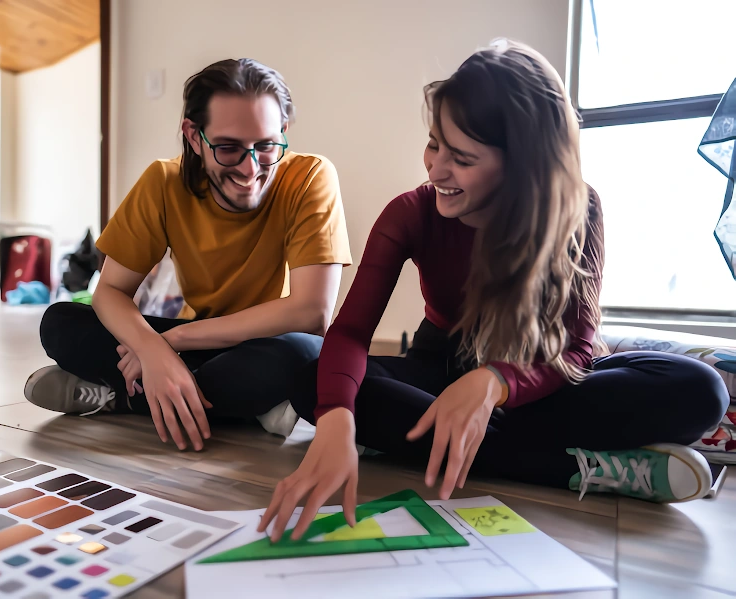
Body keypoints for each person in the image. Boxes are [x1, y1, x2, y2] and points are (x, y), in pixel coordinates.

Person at [260, 40, 730, 542]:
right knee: (314, 383)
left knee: (701, 390)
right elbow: (352, 332)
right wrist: (335, 421)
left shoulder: (579, 208)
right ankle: (575, 467)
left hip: (542, 377)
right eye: (433, 144)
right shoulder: (409, 213)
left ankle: (471, 446)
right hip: (440, 370)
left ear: (522, 165)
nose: (435, 169)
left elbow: (573, 349)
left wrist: (494, 383)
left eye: (461, 157)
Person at [25, 58, 352, 452]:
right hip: (203, 346)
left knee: (304, 355)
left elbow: (311, 312)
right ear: (194, 136)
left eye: (266, 146)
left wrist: (172, 342)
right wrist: (152, 348)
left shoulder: (311, 176)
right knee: (60, 322)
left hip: (266, 341)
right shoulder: (163, 182)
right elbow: (110, 290)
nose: (250, 170)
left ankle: (124, 398)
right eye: (229, 148)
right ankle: (246, 406)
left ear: (283, 131)